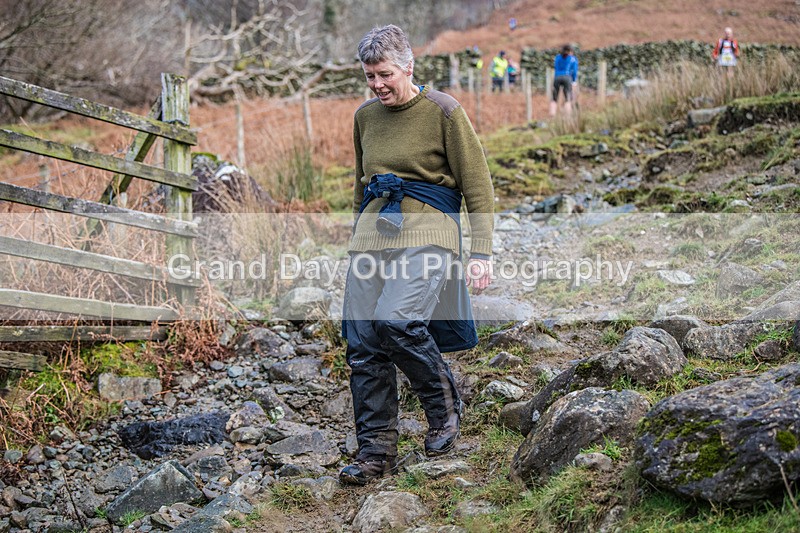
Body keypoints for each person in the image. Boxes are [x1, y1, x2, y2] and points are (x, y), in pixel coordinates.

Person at [339, 24, 494, 485]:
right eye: (369, 76)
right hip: (372, 236)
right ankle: (375, 454)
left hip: (429, 231)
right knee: (362, 342)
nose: (377, 84)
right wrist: (355, 240)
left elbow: (478, 185)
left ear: (408, 66)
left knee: (397, 320)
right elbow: (359, 187)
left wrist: (480, 252)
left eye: (384, 74)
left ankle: (444, 407)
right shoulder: (365, 117)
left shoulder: (444, 111)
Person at [549, 44, 578, 117]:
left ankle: (552, 114)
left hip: (557, 77)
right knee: (568, 98)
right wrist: (574, 81)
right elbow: (574, 71)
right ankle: (568, 115)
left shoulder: (557, 58)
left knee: (554, 98)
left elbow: (555, 68)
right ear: (570, 51)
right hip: (567, 77)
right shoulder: (573, 59)